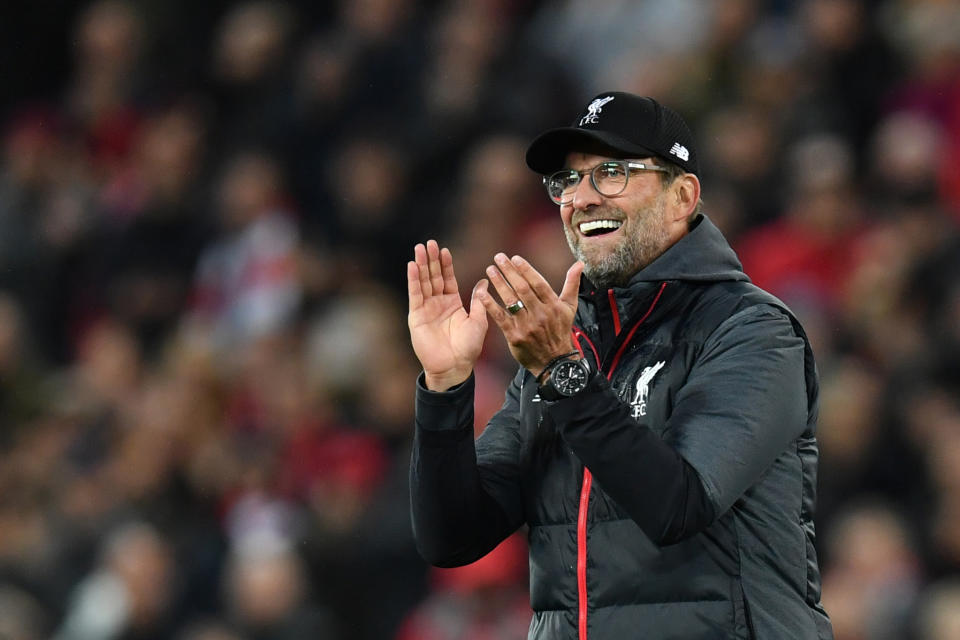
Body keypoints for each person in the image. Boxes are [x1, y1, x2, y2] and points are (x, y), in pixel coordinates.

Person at [406, 91, 834, 639]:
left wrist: (563, 372)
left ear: (682, 195)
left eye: (610, 173)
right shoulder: (564, 341)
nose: (580, 199)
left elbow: (678, 506)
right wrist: (445, 388)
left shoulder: (752, 331)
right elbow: (451, 539)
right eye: (567, 181)